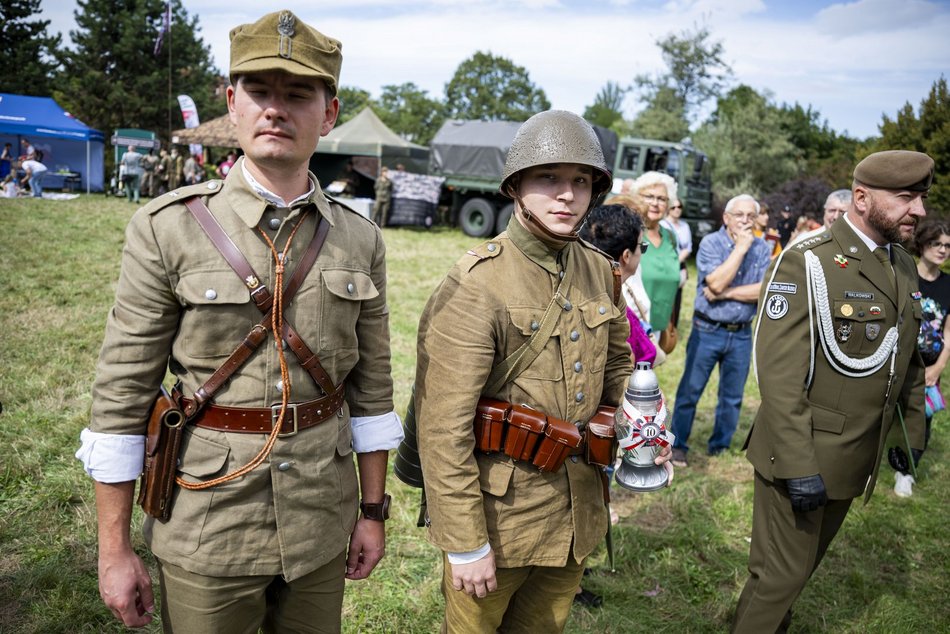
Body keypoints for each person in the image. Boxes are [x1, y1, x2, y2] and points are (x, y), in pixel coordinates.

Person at [75, 10, 403, 630]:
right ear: (233, 102)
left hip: (321, 519)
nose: (275, 109)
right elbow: (122, 396)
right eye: (259, 91)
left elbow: (373, 390)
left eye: (298, 93)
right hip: (208, 521)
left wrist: (371, 510)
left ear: (329, 113)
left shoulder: (360, 241)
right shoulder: (166, 228)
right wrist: (114, 549)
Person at [414, 110, 671, 633]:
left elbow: (620, 363)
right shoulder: (477, 283)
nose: (566, 195)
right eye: (548, 178)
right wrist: (465, 543)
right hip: (499, 519)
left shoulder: (599, 269)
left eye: (581, 181)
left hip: (575, 511)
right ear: (515, 187)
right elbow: (441, 427)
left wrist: (641, 421)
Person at [733, 150, 931, 633]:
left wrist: (911, 439)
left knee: (790, 577)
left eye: (922, 198)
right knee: (780, 577)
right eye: (906, 198)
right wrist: (801, 468)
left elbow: (905, 359)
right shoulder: (809, 261)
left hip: (852, 458)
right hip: (802, 457)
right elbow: (778, 377)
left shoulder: (901, 264)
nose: (920, 211)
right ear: (861, 199)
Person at [670, 194, 772, 467]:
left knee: (732, 396)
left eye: (751, 216)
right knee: (690, 391)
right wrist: (740, 249)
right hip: (707, 329)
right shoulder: (711, 243)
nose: (745, 221)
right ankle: (677, 444)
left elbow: (762, 290)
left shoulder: (762, 248)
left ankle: (720, 446)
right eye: (739, 215)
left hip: (740, 332)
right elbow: (712, 283)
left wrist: (725, 292)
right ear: (726, 218)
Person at [891, 218, 950, 496]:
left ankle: (905, 471)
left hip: (927, 366)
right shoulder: (903, 275)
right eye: (936, 243)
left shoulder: (948, 285)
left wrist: (939, 366)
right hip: (896, 359)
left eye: (947, 246)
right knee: (882, 415)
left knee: (920, 420)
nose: (942, 250)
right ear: (922, 244)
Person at [629, 172, 681, 337]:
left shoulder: (670, 236)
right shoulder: (628, 232)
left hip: (658, 327)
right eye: (649, 196)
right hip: (631, 327)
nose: (655, 203)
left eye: (661, 199)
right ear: (637, 198)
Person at [661, 197, 693, 326]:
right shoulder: (662, 225)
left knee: (677, 299)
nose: (677, 210)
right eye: (673, 207)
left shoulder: (685, 226)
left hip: (679, 266)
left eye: (679, 207)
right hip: (666, 267)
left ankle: (672, 328)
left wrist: (679, 260)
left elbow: (688, 247)